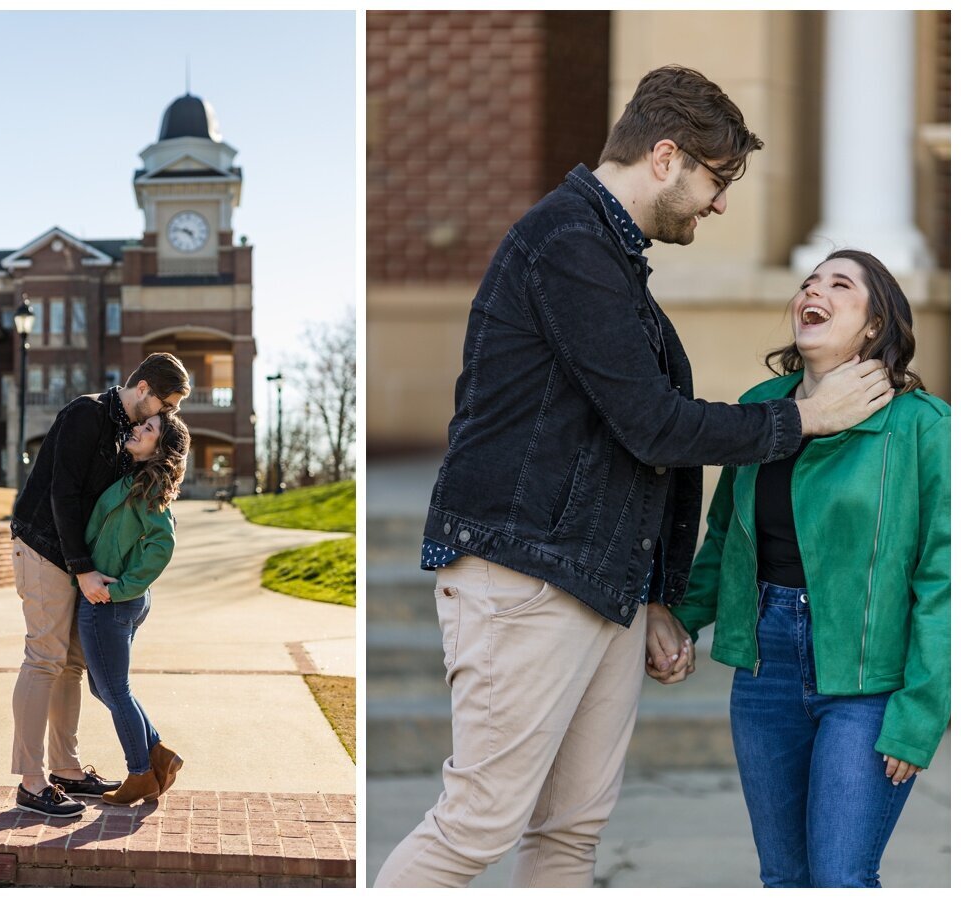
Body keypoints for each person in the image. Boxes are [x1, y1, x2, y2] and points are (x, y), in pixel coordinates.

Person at [374, 65, 893, 888]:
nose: (719, 204)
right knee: (475, 827)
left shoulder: (610, 260)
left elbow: (626, 448)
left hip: (594, 586)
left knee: (571, 835)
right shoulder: (567, 245)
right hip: (525, 576)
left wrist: (651, 593)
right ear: (665, 157)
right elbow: (656, 423)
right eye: (716, 181)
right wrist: (806, 419)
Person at [650, 250, 949, 887]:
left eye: (841, 284)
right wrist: (682, 619)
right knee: (785, 878)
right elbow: (726, 534)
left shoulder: (923, 427)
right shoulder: (763, 407)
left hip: (870, 678)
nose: (814, 289)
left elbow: (942, 577)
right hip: (767, 670)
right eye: (809, 281)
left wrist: (923, 712)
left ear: (874, 327)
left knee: (840, 878)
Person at [10, 352, 190, 818]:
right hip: (47, 548)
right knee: (44, 658)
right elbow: (63, 492)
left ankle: (65, 769)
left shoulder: (122, 433)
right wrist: (83, 567)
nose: (165, 416)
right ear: (145, 389)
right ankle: (31, 782)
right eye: (164, 406)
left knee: (71, 665)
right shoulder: (86, 413)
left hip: (78, 563)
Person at [79, 413, 191, 806]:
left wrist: (122, 587)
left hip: (112, 600)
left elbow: (162, 544)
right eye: (141, 425)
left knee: (114, 688)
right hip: (117, 598)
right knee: (103, 685)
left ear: (161, 448)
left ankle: (141, 773)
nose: (138, 430)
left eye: (149, 430)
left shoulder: (149, 485)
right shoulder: (133, 478)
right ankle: (158, 752)